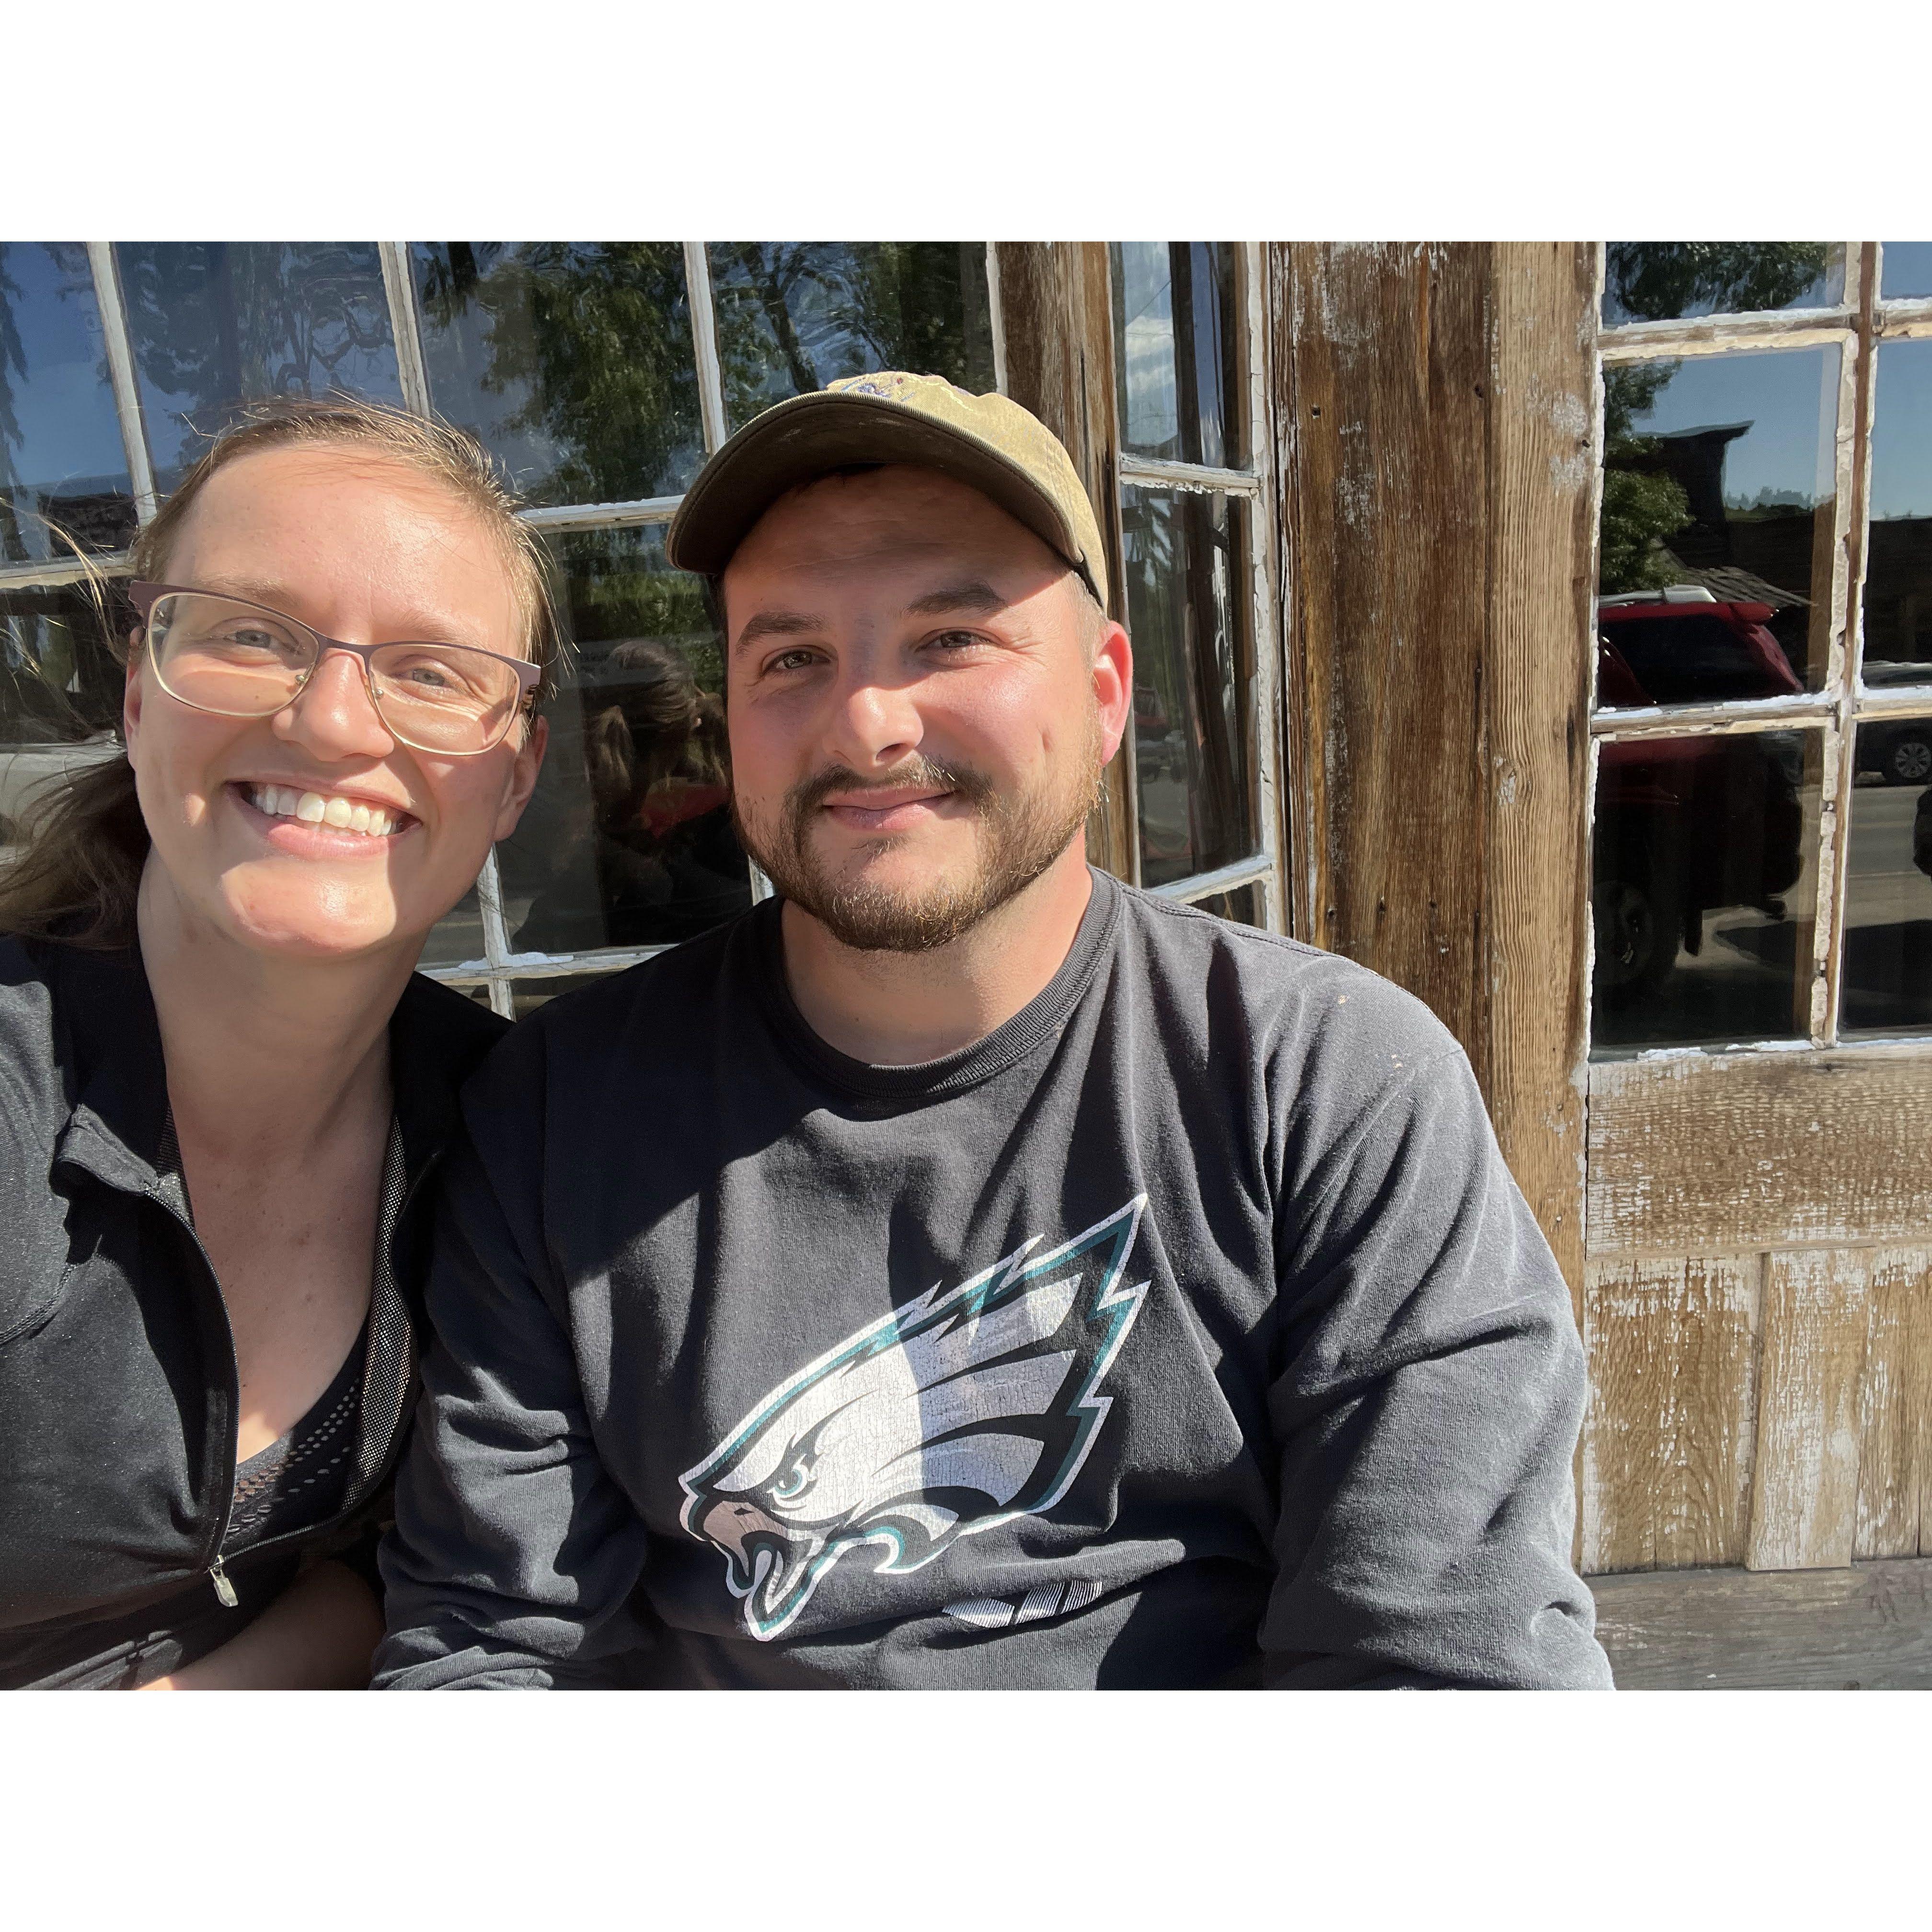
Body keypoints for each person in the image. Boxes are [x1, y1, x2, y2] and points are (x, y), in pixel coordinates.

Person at [375, 372, 1613, 1690]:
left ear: (1106, 692)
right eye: (791, 658)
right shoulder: (560, 1119)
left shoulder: (1327, 1086)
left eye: (951, 638)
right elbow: (485, 1650)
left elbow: (1440, 1670)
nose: (869, 723)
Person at [0, 399, 549, 1689]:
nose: (335, 723)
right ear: (138, 698)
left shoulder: (508, 1125)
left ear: (514, 780)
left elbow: (431, 1562)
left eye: (432, 670)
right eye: (251, 634)